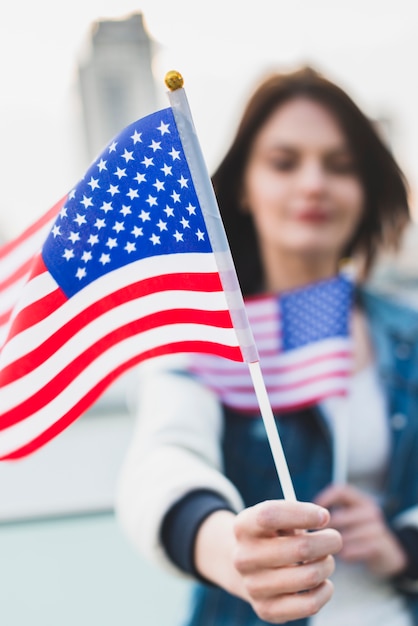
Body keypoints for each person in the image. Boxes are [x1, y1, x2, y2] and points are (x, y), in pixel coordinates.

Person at [116, 66, 418, 625]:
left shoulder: (410, 332)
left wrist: (405, 546)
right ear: (244, 188)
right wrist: (233, 552)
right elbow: (162, 462)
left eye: (340, 165)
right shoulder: (202, 332)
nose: (313, 183)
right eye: (284, 162)